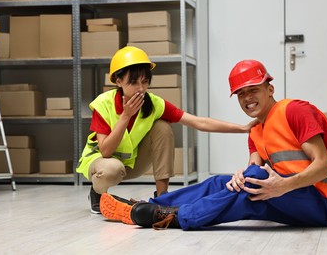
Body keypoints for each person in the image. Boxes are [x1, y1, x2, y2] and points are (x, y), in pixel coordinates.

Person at [99, 59, 327, 230]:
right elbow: (253, 168)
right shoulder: (256, 130)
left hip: (323, 202)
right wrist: (240, 176)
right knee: (225, 182)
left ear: (270, 88)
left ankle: (174, 217)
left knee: (249, 185)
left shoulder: (295, 111)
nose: (247, 98)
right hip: (287, 196)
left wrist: (281, 185)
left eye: (253, 90)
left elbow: (324, 166)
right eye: (241, 93)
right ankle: (151, 206)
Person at [76, 46, 253, 214]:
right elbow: (106, 151)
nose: (141, 88)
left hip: (130, 164)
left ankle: (162, 197)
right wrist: (125, 116)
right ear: (118, 81)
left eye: (145, 82)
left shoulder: (153, 103)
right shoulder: (103, 103)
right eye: (133, 82)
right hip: (102, 163)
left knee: (162, 127)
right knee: (111, 169)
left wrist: (242, 128)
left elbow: (199, 122)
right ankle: (97, 194)